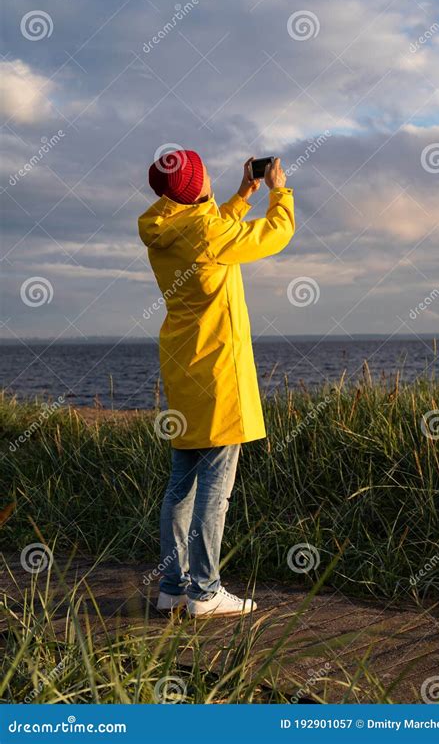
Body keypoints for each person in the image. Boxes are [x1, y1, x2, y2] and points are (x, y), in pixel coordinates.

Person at [138, 150, 295, 617]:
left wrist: (241, 196)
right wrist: (277, 190)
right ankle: (205, 592)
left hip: (184, 369)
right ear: (197, 185)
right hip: (218, 373)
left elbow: (208, 231)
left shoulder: (164, 229)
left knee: (180, 484)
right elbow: (275, 234)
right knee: (215, 488)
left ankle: (172, 588)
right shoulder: (206, 233)